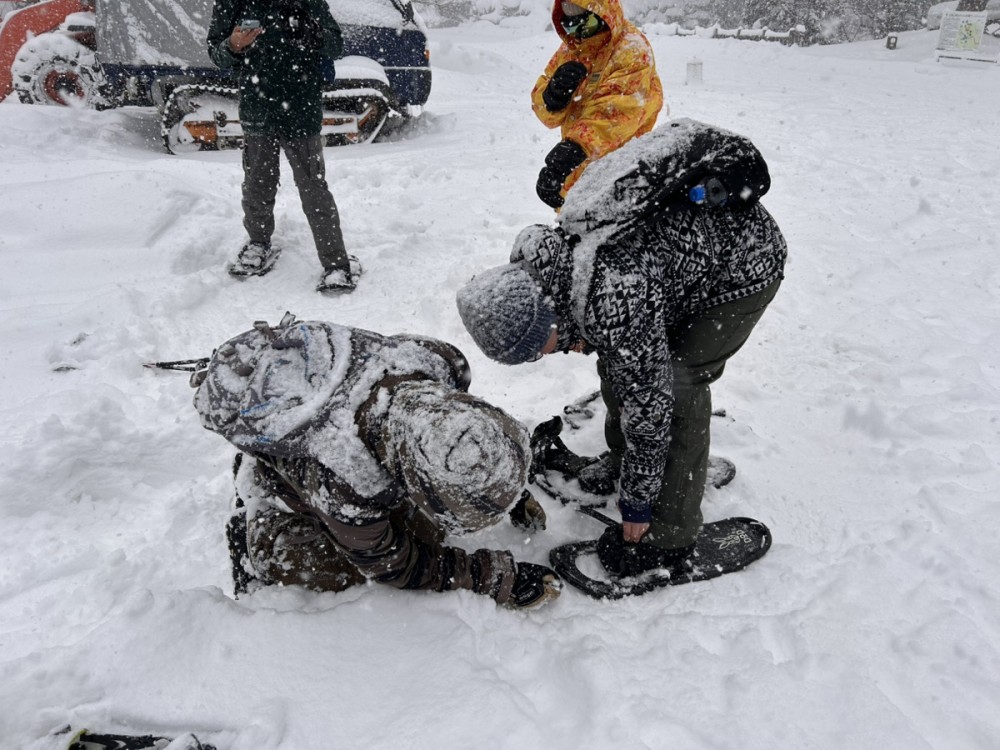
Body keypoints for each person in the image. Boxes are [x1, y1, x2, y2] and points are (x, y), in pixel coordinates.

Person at [456, 119, 786, 574]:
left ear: (542, 316)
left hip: (743, 268)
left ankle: (670, 532)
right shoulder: (552, 263)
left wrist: (637, 506)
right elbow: (622, 350)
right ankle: (623, 459)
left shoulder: (611, 291)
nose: (548, 355)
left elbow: (652, 407)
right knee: (623, 357)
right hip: (682, 267)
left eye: (540, 348)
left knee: (678, 387)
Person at [191, 313, 561, 609]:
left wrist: (503, 492)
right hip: (295, 437)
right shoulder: (344, 478)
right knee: (373, 554)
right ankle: (262, 522)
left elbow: (462, 433)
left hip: (319, 398)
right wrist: (490, 577)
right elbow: (396, 566)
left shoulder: (437, 361)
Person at [207, 0, 361, 293]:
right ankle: (257, 243)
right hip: (257, 108)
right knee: (257, 183)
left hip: (301, 109)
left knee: (313, 187)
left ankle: (336, 264)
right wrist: (233, 44)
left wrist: (312, 34)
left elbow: (336, 44)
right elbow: (216, 54)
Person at [531, 0, 663, 210]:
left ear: (604, 15)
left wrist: (570, 152)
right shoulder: (573, 48)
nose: (578, 33)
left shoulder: (632, 50)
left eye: (586, 24)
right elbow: (544, 110)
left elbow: (615, 114)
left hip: (622, 177)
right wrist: (552, 96)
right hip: (579, 179)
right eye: (569, 25)